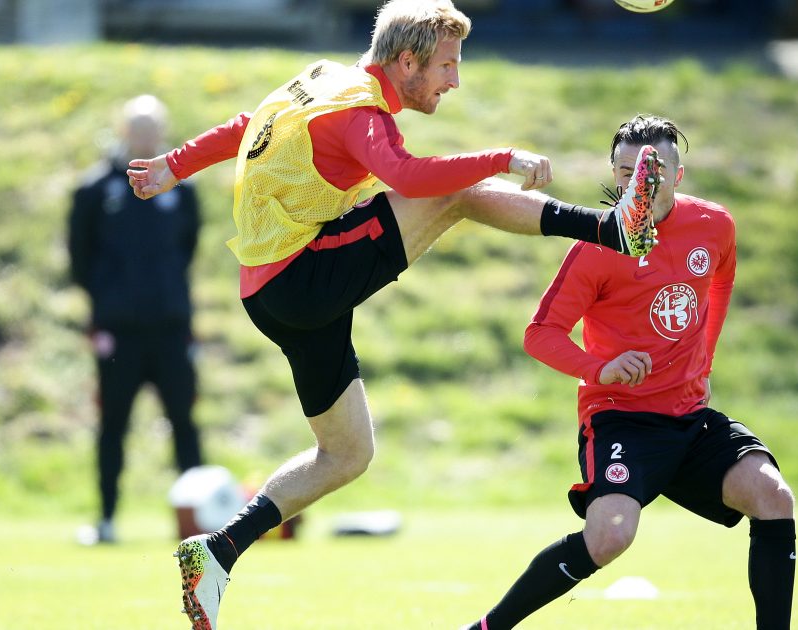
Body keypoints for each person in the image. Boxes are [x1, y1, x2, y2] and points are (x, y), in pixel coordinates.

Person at [124, 1, 662, 627]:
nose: (453, 81)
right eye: (446, 66)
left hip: (271, 294)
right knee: (457, 192)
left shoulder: (323, 78)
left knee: (346, 455)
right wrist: (502, 157)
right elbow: (405, 173)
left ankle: (217, 551)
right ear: (405, 61)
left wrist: (173, 164)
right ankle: (612, 228)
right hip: (303, 277)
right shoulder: (357, 108)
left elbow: (249, 122)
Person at [460, 115, 797, 630]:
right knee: (610, 537)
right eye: (626, 173)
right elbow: (540, 333)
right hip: (622, 419)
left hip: (690, 416)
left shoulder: (714, 225)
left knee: (773, 496)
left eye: (652, 172)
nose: (639, 183)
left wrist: (705, 358)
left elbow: (722, 282)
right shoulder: (597, 246)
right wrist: (603, 368)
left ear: (678, 175)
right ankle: (485, 628)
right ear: (615, 175)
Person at [68, 94, 204, 545]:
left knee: (185, 423)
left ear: (162, 132)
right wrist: (110, 306)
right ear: (123, 131)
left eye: (153, 128)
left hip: (170, 330)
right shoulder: (96, 189)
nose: (145, 135)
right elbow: (80, 260)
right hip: (119, 335)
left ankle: (198, 526)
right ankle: (106, 519)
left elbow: (187, 249)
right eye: (137, 127)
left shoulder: (181, 191)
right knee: (113, 427)